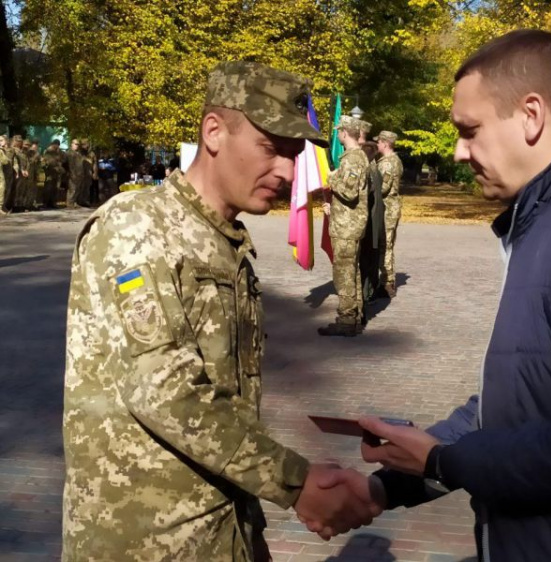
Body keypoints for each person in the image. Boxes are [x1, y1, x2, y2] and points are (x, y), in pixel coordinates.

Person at [315, 30, 551, 562]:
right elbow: (515, 405)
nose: (458, 151)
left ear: (531, 115)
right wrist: (390, 484)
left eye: (469, 131)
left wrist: (445, 463)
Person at [62, 61, 382, 561]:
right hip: (146, 541)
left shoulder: (224, 242)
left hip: (223, 529)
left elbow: (227, 401)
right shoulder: (135, 229)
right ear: (214, 131)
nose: (286, 170)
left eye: (295, 155)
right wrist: (296, 482)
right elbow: (162, 388)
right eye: (272, 148)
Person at [318, 114, 369, 337]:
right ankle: (354, 317)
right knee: (351, 271)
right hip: (347, 224)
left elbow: (349, 192)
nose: (337, 133)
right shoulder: (354, 157)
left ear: (345, 133)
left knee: (344, 273)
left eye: (339, 130)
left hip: (347, 227)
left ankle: (347, 320)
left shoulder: (353, 158)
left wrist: (331, 178)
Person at [375, 131, 403, 298]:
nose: (377, 144)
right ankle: (387, 280)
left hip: (387, 208)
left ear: (385, 143)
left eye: (378, 142)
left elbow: (383, 188)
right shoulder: (394, 160)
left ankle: (387, 282)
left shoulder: (387, 163)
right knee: (387, 245)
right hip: (390, 207)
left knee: (385, 245)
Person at [359, 140, 385, 303]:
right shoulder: (375, 169)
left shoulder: (368, 170)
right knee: (371, 258)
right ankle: (369, 290)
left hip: (367, 221)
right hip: (374, 220)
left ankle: (365, 293)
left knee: (365, 260)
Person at [42, 139, 65, 209]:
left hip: (56, 173)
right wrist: (55, 166)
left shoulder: (58, 152)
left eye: (58, 145)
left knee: (55, 189)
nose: (57, 146)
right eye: (56, 145)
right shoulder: (47, 151)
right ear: (53, 144)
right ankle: (45, 203)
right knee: (48, 188)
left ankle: (53, 203)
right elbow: (47, 161)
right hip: (49, 172)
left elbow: (62, 159)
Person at [66, 139, 84, 208]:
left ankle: (74, 202)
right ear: (72, 144)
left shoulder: (78, 153)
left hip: (79, 174)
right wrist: (72, 174)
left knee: (77, 189)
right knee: (72, 189)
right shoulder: (69, 153)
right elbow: (70, 165)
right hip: (73, 174)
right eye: (75, 144)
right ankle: (70, 203)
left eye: (78, 145)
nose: (77, 146)